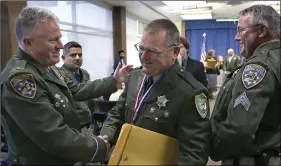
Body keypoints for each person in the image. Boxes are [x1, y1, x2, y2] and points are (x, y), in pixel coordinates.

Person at [0, 6, 132, 165]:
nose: (61, 45)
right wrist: (98, 146)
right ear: (28, 43)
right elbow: (53, 135)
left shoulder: (46, 68)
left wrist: (114, 81)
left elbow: (76, 90)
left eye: (59, 38)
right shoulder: (21, 80)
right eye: (52, 40)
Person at [100, 19, 212, 165]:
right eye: (141, 48)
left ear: (175, 52)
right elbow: (118, 113)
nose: (144, 56)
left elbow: (194, 155)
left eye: (152, 51)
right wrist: (107, 135)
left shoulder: (191, 93)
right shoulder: (135, 77)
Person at [210, 4, 280, 165]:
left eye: (241, 30)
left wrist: (213, 147)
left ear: (262, 31)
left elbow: (239, 129)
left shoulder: (259, 67)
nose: (236, 37)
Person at [59, 41, 93, 129]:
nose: (77, 58)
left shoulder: (85, 73)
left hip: (87, 123)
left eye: (80, 55)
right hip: (70, 126)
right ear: (63, 58)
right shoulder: (59, 75)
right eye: (73, 55)